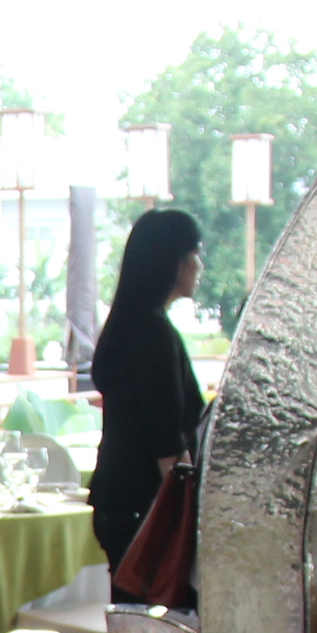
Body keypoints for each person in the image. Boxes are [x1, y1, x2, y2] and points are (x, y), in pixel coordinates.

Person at [87, 207, 208, 595]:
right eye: (194, 253)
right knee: (156, 622)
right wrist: (193, 514)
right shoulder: (153, 333)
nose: (199, 265)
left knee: (131, 614)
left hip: (119, 500)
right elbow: (166, 443)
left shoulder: (128, 325)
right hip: (148, 508)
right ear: (172, 261)